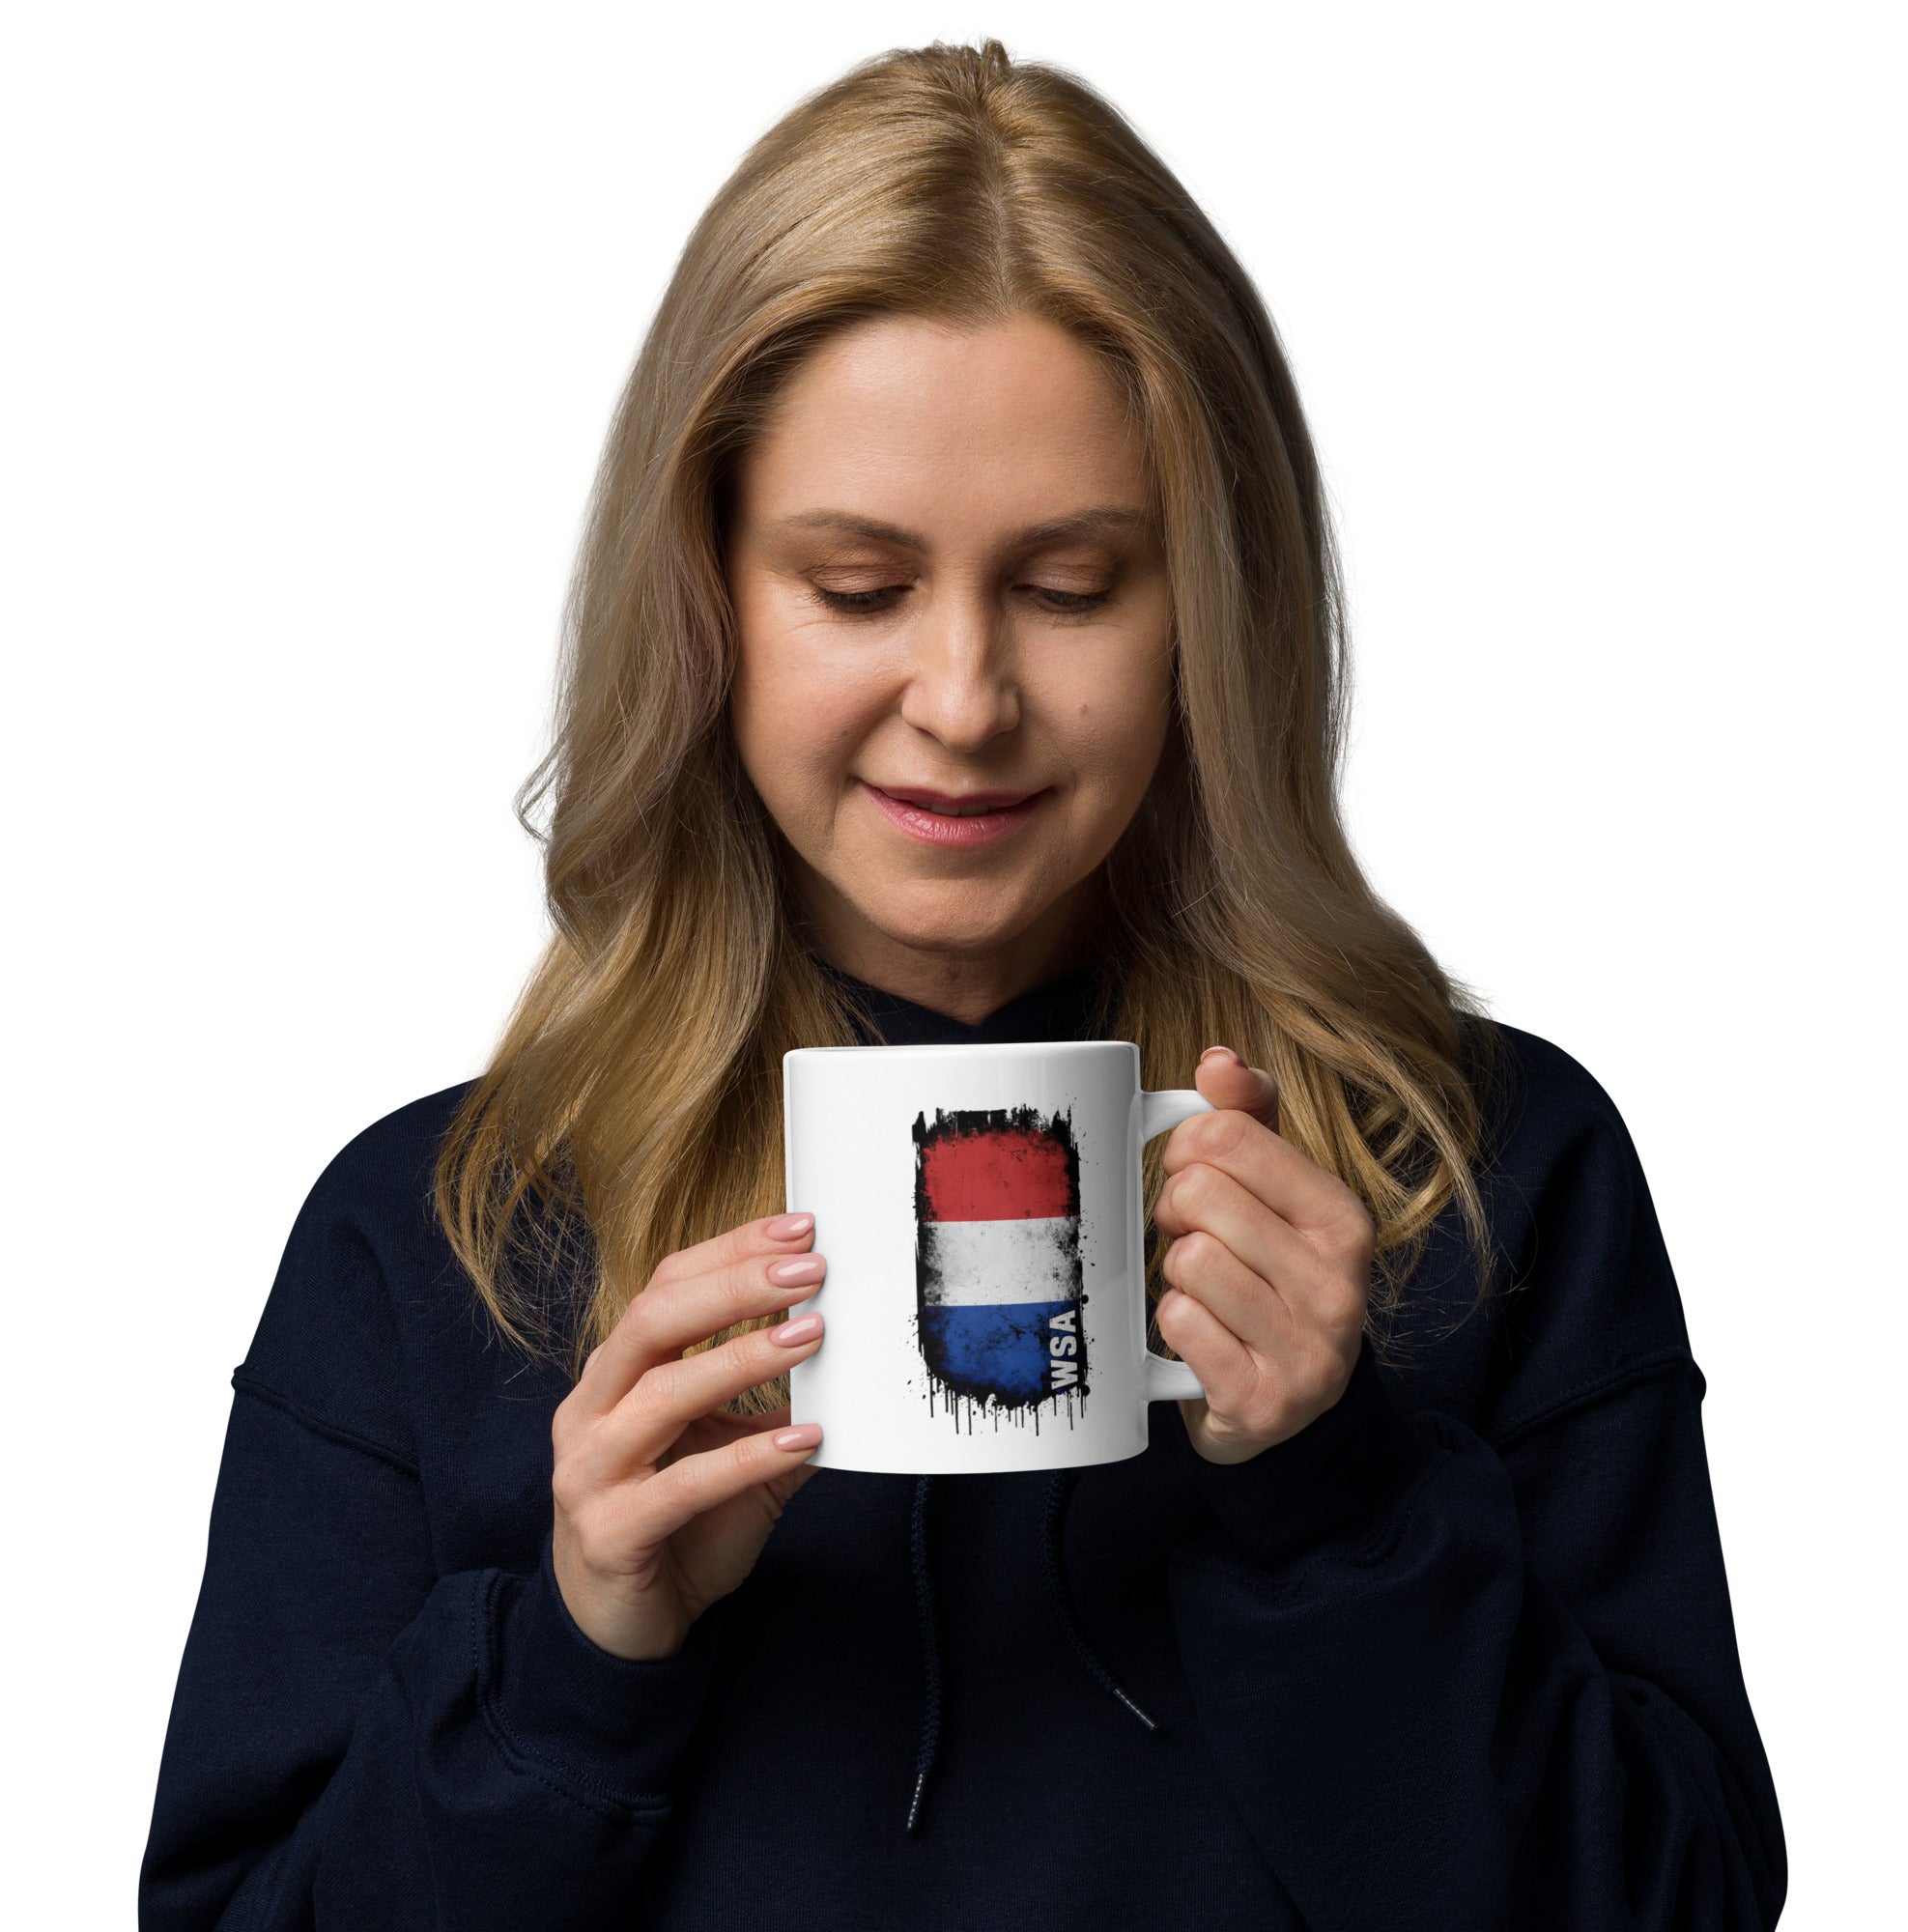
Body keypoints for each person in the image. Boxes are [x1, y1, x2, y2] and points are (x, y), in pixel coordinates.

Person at [139, 38, 1785, 1931]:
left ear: (1214, 607)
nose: (964, 699)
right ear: (704, 597)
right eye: (857, 587)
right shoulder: (437, 1237)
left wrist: (1338, 1502)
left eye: (1071, 585)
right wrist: (580, 1660)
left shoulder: (1483, 1179)